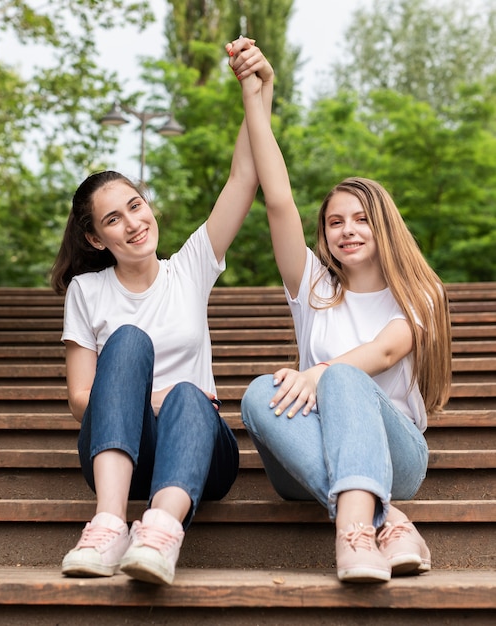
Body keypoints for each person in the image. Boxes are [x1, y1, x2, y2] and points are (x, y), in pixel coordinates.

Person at [50, 38, 273, 585]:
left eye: (136, 205)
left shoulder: (190, 267)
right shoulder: (88, 291)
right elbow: (82, 399)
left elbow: (245, 177)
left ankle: (160, 533)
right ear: (96, 238)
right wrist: (149, 397)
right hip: (119, 449)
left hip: (198, 446)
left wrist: (257, 91)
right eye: (113, 220)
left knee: (192, 398)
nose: (132, 223)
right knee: (129, 342)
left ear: (148, 206)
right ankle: (108, 525)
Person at [231, 43, 452, 583]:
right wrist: (256, 97)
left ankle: (354, 535)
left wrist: (320, 372)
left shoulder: (417, 294)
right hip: (306, 455)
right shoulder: (315, 289)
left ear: (382, 225)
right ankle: (387, 521)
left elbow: (384, 351)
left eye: (359, 219)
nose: (347, 230)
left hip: (396, 456)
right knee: (260, 392)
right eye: (334, 222)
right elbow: (278, 198)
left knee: (346, 376)